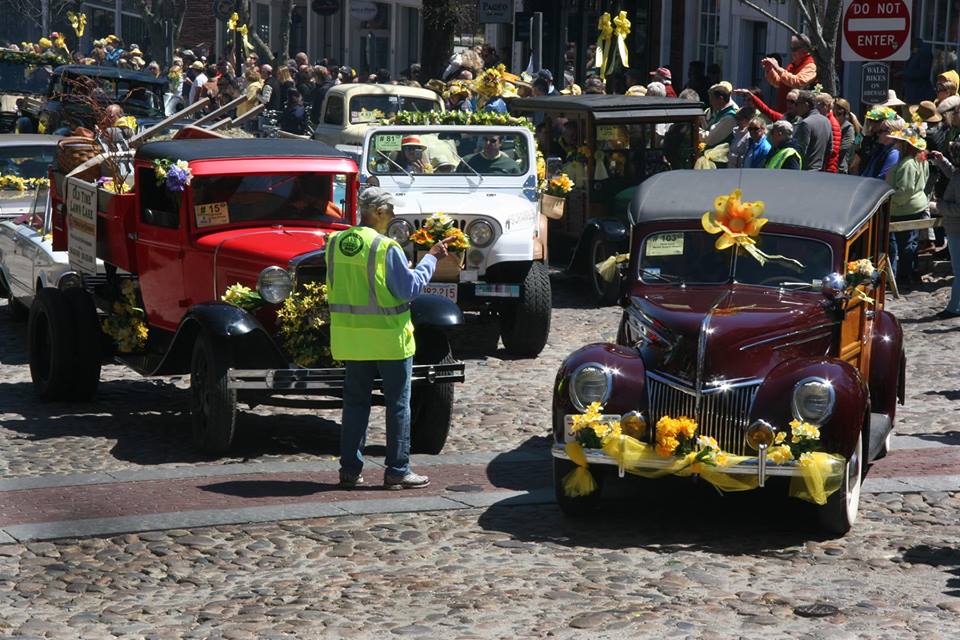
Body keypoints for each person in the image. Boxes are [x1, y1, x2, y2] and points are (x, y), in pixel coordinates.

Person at [329, 188, 449, 490]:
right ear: (379, 212)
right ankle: (397, 470)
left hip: (351, 339)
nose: (395, 215)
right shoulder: (385, 247)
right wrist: (431, 259)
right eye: (392, 210)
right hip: (389, 338)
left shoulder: (336, 243)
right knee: (398, 404)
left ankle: (349, 471)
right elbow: (409, 289)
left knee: (355, 404)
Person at [886, 124, 929, 287]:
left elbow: (904, 191)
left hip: (904, 209)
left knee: (903, 244)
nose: (896, 144)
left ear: (905, 144)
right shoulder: (920, 158)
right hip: (914, 206)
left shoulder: (908, 164)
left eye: (898, 142)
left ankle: (903, 276)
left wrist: (890, 200)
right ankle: (909, 273)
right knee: (910, 242)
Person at [929, 143, 960, 318]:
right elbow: (954, 175)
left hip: (957, 229)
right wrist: (942, 162)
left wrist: (938, 206)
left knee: (959, 271)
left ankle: (954, 308)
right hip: (955, 228)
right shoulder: (958, 173)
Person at [763, 34, 817, 112]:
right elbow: (779, 83)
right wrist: (769, 69)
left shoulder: (810, 65)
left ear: (805, 49)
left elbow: (798, 82)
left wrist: (778, 68)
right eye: (791, 49)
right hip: (785, 112)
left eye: (794, 49)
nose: (792, 52)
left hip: (799, 114)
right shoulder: (793, 64)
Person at [791, 90, 832, 171]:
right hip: (820, 171)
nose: (795, 107)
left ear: (806, 105)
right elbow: (829, 149)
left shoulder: (805, 123)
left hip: (806, 172)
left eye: (797, 104)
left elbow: (801, 151)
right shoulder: (826, 121)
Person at [814, 92, 841, 173]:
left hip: (828, 168)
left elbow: (833, 150)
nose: (817, 107)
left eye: (820, 104)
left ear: (827, 106)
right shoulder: (825, 120)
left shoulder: (832, 123)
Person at [833, 98, 860, 173]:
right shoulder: (835, 126)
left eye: (837, 114)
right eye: (833, 115)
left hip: (841, 168)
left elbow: (843, 148)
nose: (835, 117)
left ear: (844, 113)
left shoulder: (848, 128)